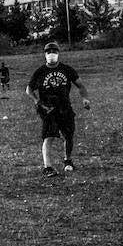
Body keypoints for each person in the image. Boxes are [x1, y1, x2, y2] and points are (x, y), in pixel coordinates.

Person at [26, 41, 91, 177]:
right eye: (48, 52)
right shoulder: (40, 72)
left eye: (54, 52)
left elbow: (81, 85)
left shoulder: (66, 69)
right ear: (44, 55)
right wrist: (37, 101)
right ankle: (47, 167)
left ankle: (68, 161)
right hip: (48, 108)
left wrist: (85, 98)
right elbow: (29, 89)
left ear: (58, 54)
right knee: (48, 136)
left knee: (68, 135)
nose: (51, 55)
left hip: (65, 107)